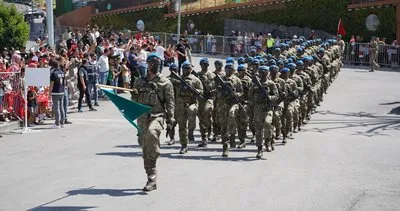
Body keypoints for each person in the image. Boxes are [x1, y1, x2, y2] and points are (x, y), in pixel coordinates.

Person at [130, 54, 175, 192]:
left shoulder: (165, 82)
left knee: (152, 133)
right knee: (145, 147)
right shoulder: (139, 81)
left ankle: (152, 173)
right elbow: (133, 100)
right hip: (142, 118)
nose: (151, 66)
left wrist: (171, 119)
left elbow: (170, 102)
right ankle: (151, 177)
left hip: (157, 115)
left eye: (154, 63)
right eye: (150, 63)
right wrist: (134, 94)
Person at [174, 61, 203, 153]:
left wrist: (193, 89)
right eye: (184, 68)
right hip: (180, 105)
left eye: (187, 68)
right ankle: (184, 145)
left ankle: (191, 131)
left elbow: (201, 91)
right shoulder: (178, 79)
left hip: (191, 102)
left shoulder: (195, 80)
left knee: (191, 114)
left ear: (191, 69)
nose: (185, 70)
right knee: (182, 126)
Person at [194, 58, 216, 147]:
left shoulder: (212, 75)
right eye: (202, 64)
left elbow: (217, 87)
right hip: (200, 98)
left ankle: (210, 131)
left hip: (209, 98)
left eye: (205, 64)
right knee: (201, 118)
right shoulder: (197, 75)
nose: (204, 66)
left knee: (207, 111)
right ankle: (204, 138)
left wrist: (213, 91)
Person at [48, 59, 66, 129]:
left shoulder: (53, 73)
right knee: (61, 107)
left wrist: (49, 93)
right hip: (62, 90)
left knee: (56, 108)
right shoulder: (62, 72)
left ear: (52, 66)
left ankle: (57, 123)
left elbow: (52, 84)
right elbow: (64, 83)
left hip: (55, 92)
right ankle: (62, 122)